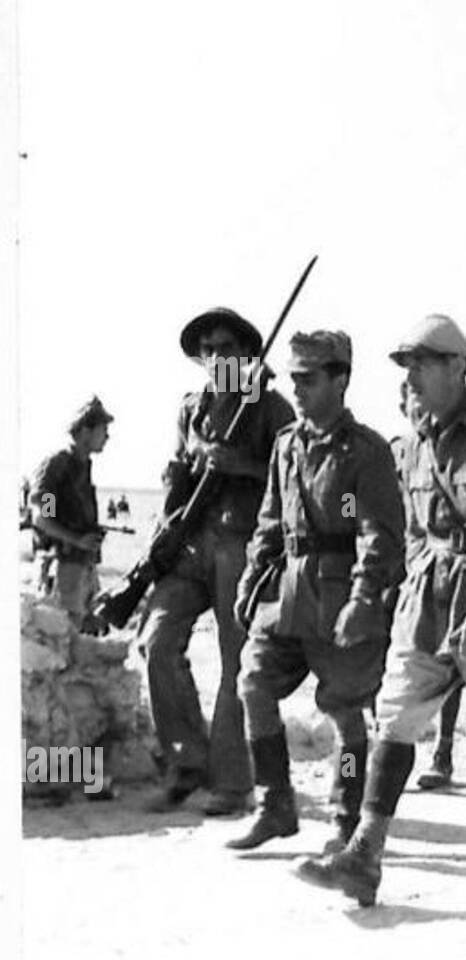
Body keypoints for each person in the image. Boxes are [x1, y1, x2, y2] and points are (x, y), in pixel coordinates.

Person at [297, 314, 466, 903]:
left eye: (418, 363)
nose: (409, 377)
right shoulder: (412, 443)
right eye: (405, 366)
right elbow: (413, 531)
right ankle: (365, 849)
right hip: (427, 601)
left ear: (454, 368)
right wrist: (409, 586)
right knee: (396, 715)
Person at [227, 331, 405, 852]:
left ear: (341, 380)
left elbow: (379, 534)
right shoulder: (286, 445)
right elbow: (269, 522)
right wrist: (250, 579)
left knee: (345, 713)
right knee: (252, 684)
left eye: (309, 379)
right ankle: (275, 804)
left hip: (339, 597)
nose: (297, 389)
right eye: (294, 379)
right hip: (285, 594)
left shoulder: (365, 452)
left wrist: (363, 598)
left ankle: (347, 816)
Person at [141, 307, 295, 816]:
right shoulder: (191, 409)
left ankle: (233, 781)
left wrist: (243, 466)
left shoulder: (272, 409)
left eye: (228, 347)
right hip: (191, 544)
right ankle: (186, 762)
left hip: (242, 545)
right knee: (157, 640)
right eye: (208, 349)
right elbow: (179, 477)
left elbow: (297, 480)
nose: (217, 356)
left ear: (246, 354)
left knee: (236, 660)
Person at [28, 397, 114, 626]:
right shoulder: (58, 465)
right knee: (63, 638)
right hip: (63, 566)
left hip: (80, 566)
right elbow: (41, 517)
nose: (107, 437)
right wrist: (77, 539)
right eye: (103, 429)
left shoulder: (82, 466)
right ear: (85, 431)